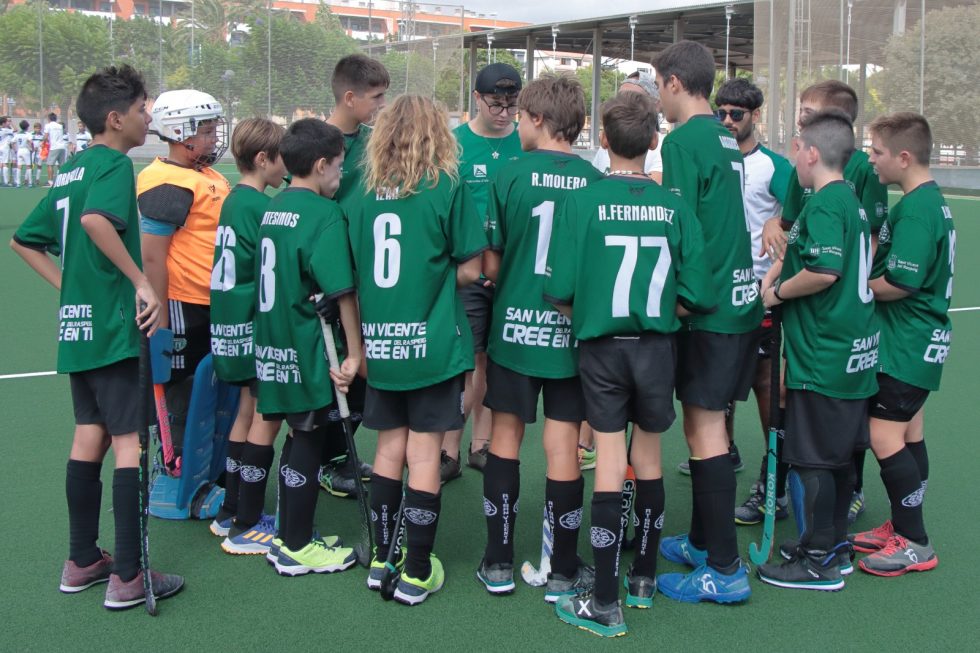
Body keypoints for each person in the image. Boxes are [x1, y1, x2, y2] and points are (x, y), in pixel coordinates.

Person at [9, 64, 183, 610]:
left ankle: (82, 559)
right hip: (110, 326)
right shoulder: (111, 165)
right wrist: (140, 284)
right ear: (116, 118)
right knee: (129, 442)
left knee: (90, 435)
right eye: (141, 108)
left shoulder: (69, 169)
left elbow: (24, 240)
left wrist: (70, 290)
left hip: (77, 326)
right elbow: (94, 223)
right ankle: (128, 575)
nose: (147, 116)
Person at [547, 91, 715, 637]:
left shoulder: (583, 200)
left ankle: (603, 599)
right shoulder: (673, 205)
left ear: (602, 138)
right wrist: (660, 311)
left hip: (601, 347)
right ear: (654, 141)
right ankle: (643, 579)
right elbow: (699, 292)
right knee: (649, 457)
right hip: (656, 348)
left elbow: (560, 289)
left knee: (611, 458)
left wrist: (594, 308)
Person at [344, 95, 486, 605]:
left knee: (387, 450)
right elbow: (472, 266)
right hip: (431, 342)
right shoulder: (445, 184)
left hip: (381, 343)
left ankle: (383, 557)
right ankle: (417, 569)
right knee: (425, 454)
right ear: (436, 135)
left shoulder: (359, 190)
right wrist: (440, 273)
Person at [478, 75, 602, 602]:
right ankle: (562, 567)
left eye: (522, 116)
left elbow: (490, 260)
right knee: (563, 446)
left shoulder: (508, 175)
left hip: (512, 331)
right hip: (572, 336)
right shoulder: (597, 181)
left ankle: (499, 563)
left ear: (536, 120)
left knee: (504, 438)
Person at [652, 40, 760, 605]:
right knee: (710, 423)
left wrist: (674, 304)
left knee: (704, 430)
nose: (657, 99)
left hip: (710, 306)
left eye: (657, 85)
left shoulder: (685, 139)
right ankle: (702, 541)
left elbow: (680, 227)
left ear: (673, 82)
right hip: (740, 301)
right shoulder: (725, 134)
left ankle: (724, 567)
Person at [756, 109, 878, 590]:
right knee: (841, 456)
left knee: (814, 459)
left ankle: (819, 558)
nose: (794, 155)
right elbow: (809, 257)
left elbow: (825, 271)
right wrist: (778, 271)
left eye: (797, 146)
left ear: (811, 153)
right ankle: (833, 544)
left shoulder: (826, 202)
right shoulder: (849, 200)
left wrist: (777, 293)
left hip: (825, 352)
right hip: (852, 351)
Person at [252, 118, 361, 576]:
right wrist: (355, 352)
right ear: (320, 166)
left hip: (274, 340)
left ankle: (288, 535)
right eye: (338, 167)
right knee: (308, 436)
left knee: (300, 433)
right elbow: (342, 291)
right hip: (306, 344)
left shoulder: (272, 207)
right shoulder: (325, 214)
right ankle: (295, 544)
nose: (340, 177)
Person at [849, 112, 951, 577]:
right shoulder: (925, 202)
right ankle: (901, 526)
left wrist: (860, 287)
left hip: (907, 339)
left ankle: (915, 541)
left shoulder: (916, 208)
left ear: (904, 157)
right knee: (910, 434)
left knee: (882, 435)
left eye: (877, 152)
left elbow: (902, 280)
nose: (871, 160)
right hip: (918, 338)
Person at [706, 78, 794, 524]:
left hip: (761, 293)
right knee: (719, 381)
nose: (726, 120)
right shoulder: (715, 157)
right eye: (720, 112)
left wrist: (779, 219)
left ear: (754, 116)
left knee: (765, 385)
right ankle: (725, 450)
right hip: (719, 290)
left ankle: (773, 479)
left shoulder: (773, 166)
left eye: (735, 114)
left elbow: (807, 209)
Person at [441, 62, 525, 483]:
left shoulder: (524, 144)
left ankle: (482, 443)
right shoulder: (454, 144)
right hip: (470, 271)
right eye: (496, 104)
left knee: (496, 360)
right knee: (468, 361)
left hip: (513, 272)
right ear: (477, 98)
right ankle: (448, 450)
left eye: (512, 105)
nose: (505, 113)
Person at [209, 118, 287, 554]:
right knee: (266, 416)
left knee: (246, 409)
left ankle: (231, 511)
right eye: (280, 160)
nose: (285, 168)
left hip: (229, 324)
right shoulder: (260, 207)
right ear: (263, 159)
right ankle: (248, 522)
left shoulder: (233, 200)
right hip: (255, 323)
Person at [318, 54, 390, 498]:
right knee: (334, 370)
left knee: (362, 366)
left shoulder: (374, 140)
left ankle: (342, 453)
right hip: (327, 277)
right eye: (376, 97)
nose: (383, 104)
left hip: (366, 274)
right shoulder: (312, 141)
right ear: (350, 97)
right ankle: (327, 459)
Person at [138, 90, 230, 385]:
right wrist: (161, 321)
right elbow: (152, 257)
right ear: (179, 131)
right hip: (184, 304)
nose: (215, 138)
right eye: (207, 131)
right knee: (185, 394)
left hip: (214, 299)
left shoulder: (209, 175)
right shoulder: (168, 181)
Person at [591, 71, 664, 184]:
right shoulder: (609, 141)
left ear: (655, 106)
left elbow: (654, 189)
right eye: (620, 97)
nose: (623, 104)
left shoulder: (661, 148)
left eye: (635, 99)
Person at [44, 113, 68, 184]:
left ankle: (50, 181)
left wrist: (43, 142)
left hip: (54, 147)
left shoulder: (48, 125)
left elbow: (45, 137)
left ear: (49, 118)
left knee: (50, 164)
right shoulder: (60, 126)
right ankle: (63, 181)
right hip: (62, 147)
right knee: (62, 165)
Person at [12, 119, 33, 188]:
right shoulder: (28, 134)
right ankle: (30, 183)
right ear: (27, 127)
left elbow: (12, 142)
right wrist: (31, 148)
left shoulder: (17, 134)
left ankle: (18, 183)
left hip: (19, 151)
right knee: (28, 166)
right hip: (25, 150)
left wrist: (15, 150)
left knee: (19, 166)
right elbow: (30, 142)